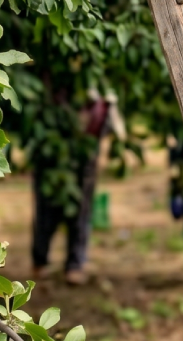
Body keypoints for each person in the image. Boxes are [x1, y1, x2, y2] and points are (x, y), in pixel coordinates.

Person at [30, 91, 122, 285]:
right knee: (46, 211)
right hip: (51, 155)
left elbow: (111, 124)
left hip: (85, 156)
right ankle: (40, 261)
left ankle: (75, 265)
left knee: (81, 212)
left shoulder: (97, 88)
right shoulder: (51, 81)